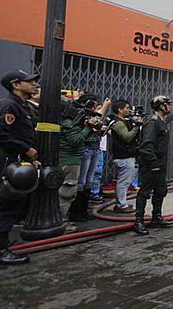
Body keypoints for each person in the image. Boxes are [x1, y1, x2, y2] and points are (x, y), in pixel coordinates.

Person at [0, 71, 40, 265]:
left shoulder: (23, 106)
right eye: (29, 81)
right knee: (3, 206)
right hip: (7, 163)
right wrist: (26, 149)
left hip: (18, 161)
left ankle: (0, 244)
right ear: (16, 85)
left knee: (12, 206)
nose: (34, 84)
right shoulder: (8, 105)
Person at [58, 94, 101, 232]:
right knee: (67, 192)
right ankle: (62, 223)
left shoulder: (73, 121)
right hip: (69, 160)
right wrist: (88, 128)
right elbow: (75, 140)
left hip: (73, 159)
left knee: (70, 191)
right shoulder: (71, 122)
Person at [133, 95, 173, 235]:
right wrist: (153, 164)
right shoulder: (152, 122)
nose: (170, 106)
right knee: (145, 192)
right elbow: (146, 146)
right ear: (161, 106)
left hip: (160, 164)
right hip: (151, 164)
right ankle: (138, 221)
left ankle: (156, 217)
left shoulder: (161, 122)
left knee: (160, 191)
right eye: (167, 104)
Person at [71, 97, 110, 222]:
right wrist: (104, 106)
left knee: (89, 180)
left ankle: (84, 210)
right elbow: (94, 120)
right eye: (93, 107)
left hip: (95, 148)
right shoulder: (79, 116)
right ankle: (76, 212)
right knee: (81, 181)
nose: (94, 110)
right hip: (86, 148)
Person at [108, 99, 142, 213]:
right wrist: (137, 126)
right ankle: (121, 205)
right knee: (123, 182)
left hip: (126, 156)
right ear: (120, 109)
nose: (128, 110)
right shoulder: (118, 123)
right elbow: (127, 137)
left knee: (125, 182)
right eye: (126, 108)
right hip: (124, 157)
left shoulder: (123, 121)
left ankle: (122, 203)